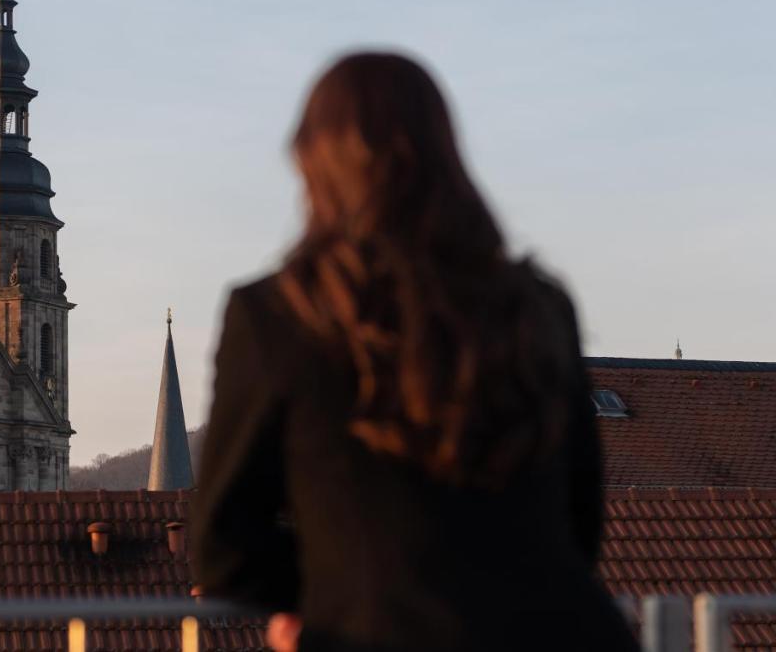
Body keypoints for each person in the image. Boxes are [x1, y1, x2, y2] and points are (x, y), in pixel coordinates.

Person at [191, 53, 638, 652]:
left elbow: (222, 548)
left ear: (312, 162)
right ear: (446, 154)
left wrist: (337, 598)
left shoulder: (278, 315)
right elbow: (580, 525)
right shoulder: (540, 305)